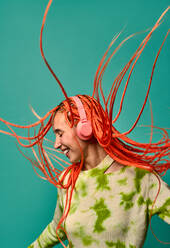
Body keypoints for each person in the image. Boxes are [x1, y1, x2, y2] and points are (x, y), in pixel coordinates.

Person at [0, 1, 169, 247]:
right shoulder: (67, 181)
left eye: (59, 133)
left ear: (85, 128)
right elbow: (56, 230)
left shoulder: (140, 178)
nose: (56, 144)